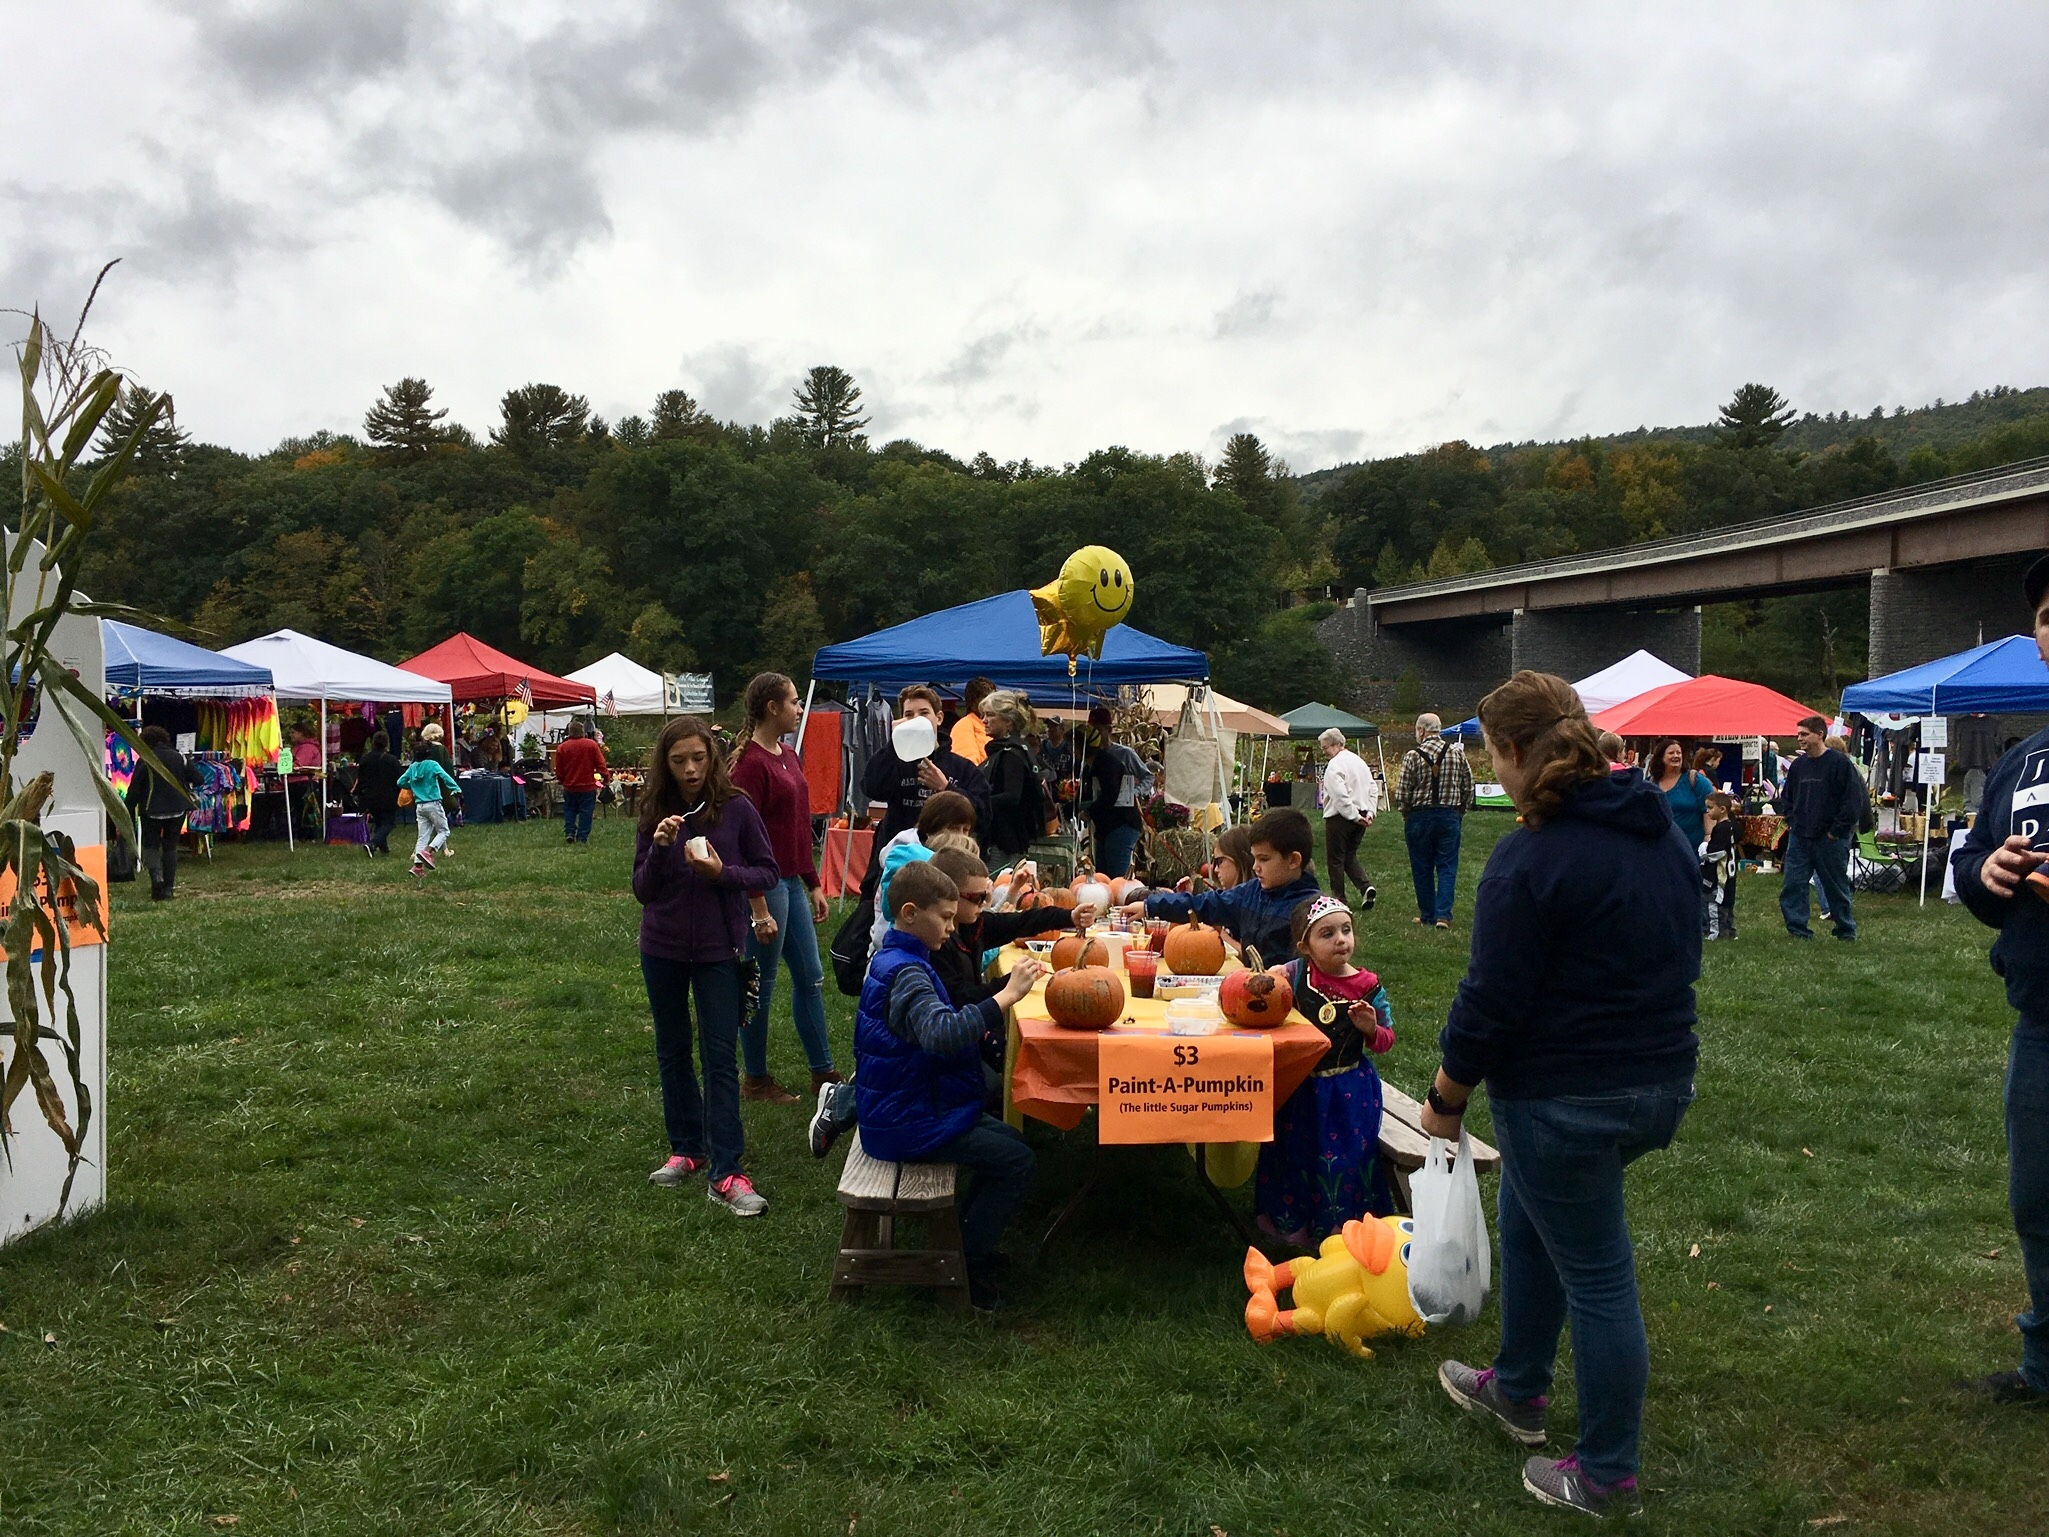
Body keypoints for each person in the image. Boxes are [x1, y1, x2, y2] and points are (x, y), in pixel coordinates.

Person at [1422, 670, 1699, 1520]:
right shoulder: (1660, 834)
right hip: (1659, 1080)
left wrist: (1444, 1094)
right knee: (1532, 1218)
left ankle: (1608, 1472)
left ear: (1509, 751)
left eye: (1490, 756)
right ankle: (1518, 1385)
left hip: (1565, 1095)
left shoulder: (1528, 857)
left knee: (1599, 1276)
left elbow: (1490, 1002)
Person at [846, 859, 1045, 1309]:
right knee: (1017, 1162)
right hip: (908, 1121)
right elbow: (940, 1034)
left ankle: (963, 1244)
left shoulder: (899, 957)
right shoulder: (908, 973)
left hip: (911, 1106)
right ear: (911, 914)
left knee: (1010, 1144)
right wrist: (1005, 997)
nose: (953, 929)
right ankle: (965, 1268)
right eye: (947, 917)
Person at [1950, 551, 2049, 1407]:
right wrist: (1991, 874)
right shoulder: (2022, 764)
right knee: (2036, 1199)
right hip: (2041, 1018)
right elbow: (1979, 861)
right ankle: (2044, 1363)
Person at [636, 716, 781, 1217]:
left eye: (698, 758)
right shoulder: (655, 808)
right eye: (679, 762)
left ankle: (728, 1169)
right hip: (663, 947)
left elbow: (768, 870)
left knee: (720, 1057)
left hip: (720, 949)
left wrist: (722, 873)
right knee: (672, 1050)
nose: (691, 769)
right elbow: (643, 890)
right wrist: (657, 851)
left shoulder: (736, 808)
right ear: (666, 764)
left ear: (712, 757)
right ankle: (686, 1149)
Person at [1259, 895, 1396, 1245]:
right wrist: (1273, 976)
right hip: (1301, 1086)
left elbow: (1386, 1040)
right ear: (1305, 946)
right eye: (1327, 934)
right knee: (1295, 1152)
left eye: (1346, 930)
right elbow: (1269, 990)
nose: (1340, 939)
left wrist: (1369, 1028)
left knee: (1344, 1159)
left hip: (1346, 1090)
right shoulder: (1296, 973)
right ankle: (1293, 1225)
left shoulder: (1368, 987)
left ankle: (1340, 1229)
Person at [730, 672, 840, 1104]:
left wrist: (812, 881)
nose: (800, 708)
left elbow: (796, 829)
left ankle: (823, 1072)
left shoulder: (788, 755)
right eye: (794, 702)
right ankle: (755, 1079)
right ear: (772, 708)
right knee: (761, 981)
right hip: (765, 886)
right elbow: (738, 839)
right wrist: (757, 906)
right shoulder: (749, 765)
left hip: (792, 882)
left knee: (811, 977)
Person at [1125, 808, 1322, 967]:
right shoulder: (1251, 893)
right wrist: (1150, 906)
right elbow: (1204, 904)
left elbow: (1320, 965)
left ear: (1293, 860)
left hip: (1288, 1000)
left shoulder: (1311, 910)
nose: (1255, 867)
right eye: (1254, 858)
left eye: (1264, 859)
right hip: (1250, 987)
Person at [1778, 714, 1862, 941]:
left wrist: (1835, 831)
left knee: (1835, 886)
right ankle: (1797, 930)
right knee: (1793, 884)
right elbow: (1787, 798)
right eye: (1798, 734)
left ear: (1820, 735)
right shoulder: (1798, 766)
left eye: (1804, 734)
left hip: (1830, 839)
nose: (1799, 739)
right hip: (1800, 838)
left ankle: (1845, 930)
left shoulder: (1839, 763)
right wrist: (1792, 822)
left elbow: (1852, 801)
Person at [868, 791, 980, 954]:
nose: (961, 836)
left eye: (966, 829)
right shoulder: (909, 859)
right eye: (954, 828)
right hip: (892, 949)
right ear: (932, 826)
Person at [1394, 713, 1476, 929]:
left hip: (1419, 816)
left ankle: (1427, 914)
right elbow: (1469, 785)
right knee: (1447, 865)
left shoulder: (1412, 755)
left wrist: (1406, 811)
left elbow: (1402, 792)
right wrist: (1460, 809)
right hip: (1449, 815)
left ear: (1421, 730)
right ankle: (1443, 915)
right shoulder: (1456, 754)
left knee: (1422, 866)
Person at [127, 725, 201, 900]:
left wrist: (127, 809)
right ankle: (168, 888)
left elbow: (135, 789)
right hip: (177, 808)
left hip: (151, 808)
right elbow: (199, 779)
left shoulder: (146, 759)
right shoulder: (179, 757)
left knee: (151, 845)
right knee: (171, 847)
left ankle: (157, 879)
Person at [979, 689, 1046, 867]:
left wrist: (975, 801)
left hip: (1004, 842)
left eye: (990, 715)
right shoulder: (1011, 750)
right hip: (1000, 837)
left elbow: (1012, 796)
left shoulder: (1012, 754)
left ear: (1008, 721)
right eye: (983, 715)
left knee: (999, 889)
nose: (984, 720)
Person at [1082, 706, 1148, 879]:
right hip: (1104, 821)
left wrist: (1134, 792)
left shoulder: (1124, 754)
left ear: (1108, 730)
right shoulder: (1090, 756)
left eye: (1098, 730)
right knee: (1102, 874)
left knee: (1118, 878)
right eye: (1091, 731)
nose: (1094, 735)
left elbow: (1148, 777)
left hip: (1122, 819)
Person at [1317, 726, 1379, 910]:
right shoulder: (1360, 762)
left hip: (1340, 817)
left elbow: (1339, 795)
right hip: (1361, 813)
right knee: (1349, 855)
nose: (1324, 752)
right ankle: (1365, 887)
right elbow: (1372, 788)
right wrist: (1369, 813)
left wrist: (1352, 815)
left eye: (1325, 747)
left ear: (1336, 744)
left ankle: (1339, 899)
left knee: (1335, 859)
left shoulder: (1335, 765)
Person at [1646, 737, 1714, 853]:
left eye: (1679, 752)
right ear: (1660, 757)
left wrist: (1708, 837)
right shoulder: (1650, 784)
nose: (1676, 756)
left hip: (1691, 849)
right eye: (1671, 753)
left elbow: (1710, 809)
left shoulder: (1695, 780)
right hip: (1659, 849)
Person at [398, 751, 460, 876]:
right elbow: (445, 776)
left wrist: (413, 786)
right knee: (444, 831)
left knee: (423, 836)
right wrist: (455, 788)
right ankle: (428, 851)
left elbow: (400, 782)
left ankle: (417, 867)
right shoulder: (432, 764)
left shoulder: (413, 767)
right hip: (433, 803)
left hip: (420, 806)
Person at [554, 719, 608, 845]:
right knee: (586, 812)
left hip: (570, 786)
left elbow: (559, 770)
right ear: (583, 731)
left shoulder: (562, 747)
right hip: (587, 787)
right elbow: (600, 764)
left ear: (569, 732)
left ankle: (570, 832)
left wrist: (562, 779)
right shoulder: (591, 745)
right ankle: (582, 837)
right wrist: (606, 777)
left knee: (569, 810)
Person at [354, 730, 402, 858]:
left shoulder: (365, 759)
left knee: (380, 822)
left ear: (373, 742)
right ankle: (373, 844)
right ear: (386, 743)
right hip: (388, 796)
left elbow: (361, 779)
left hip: (369, 796)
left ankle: (384, 849)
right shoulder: (391, 760)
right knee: (388, 823)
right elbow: (399, 778)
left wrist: (360, 796)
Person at [1700, 790, 1738, 940]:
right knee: (1727, 905)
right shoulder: (1732, 826)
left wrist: (1704, 850)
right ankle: (1730, 932)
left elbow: (1716, 853)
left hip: (1719, 875)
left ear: (1722, 809)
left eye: (1710, 808)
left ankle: (1716, 933)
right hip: (1729, 875)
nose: (1707, 811)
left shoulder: (1720, 829)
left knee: (1714, 904)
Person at [950, 677, 996, 765]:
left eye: (993, 699)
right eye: (985, 699)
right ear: (972, 702)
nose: (990, 703)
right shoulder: (964, 726)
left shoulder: (994, 724)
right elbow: (966, 764)